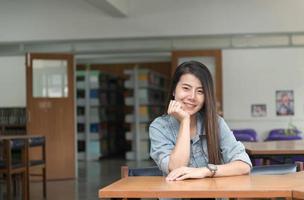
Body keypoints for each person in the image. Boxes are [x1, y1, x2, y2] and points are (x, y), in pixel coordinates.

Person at [149, 61, 252, 181]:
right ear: (173, 90)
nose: (192, 97)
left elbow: (244, 165)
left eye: (200, 91)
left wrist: (205, 171)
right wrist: (185, 121)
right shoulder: (159, 127)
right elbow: (176, 169)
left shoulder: (216, 123)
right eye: (186, 88)